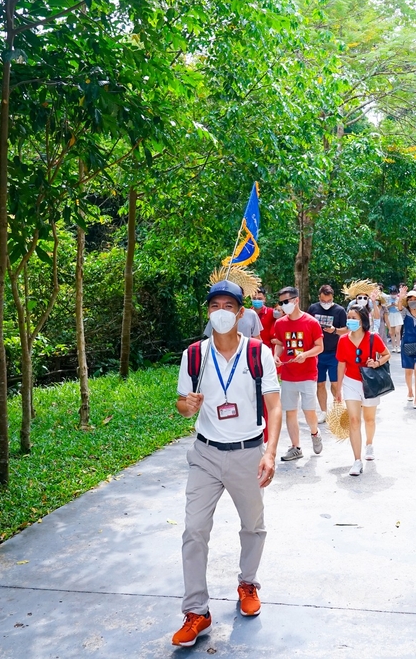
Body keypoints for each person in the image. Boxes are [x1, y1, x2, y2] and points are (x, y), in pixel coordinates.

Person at [173, 275, 283, 647]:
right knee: (194, 530)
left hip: (248, 452)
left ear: (240, 313)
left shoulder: (258, 353)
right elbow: (183, 404)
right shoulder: (193, 354)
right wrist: (187, 406)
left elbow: (275, 405)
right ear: (208, 312)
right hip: (205, 454)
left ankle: (248, 584)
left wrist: (269, 451)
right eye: (214, 307)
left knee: (253, 524)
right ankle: (196, 612)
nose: (221, 313)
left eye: (228, 307)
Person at [334, 304, 391, 476]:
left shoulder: (373, 337)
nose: (350, 321)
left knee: (369, 419)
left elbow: (386, 354)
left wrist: (377, 362)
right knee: (354, 420)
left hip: (369, 382)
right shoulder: (343, 340)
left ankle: (369, 444)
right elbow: (341, 363)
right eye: (349, 318)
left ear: (363, 320)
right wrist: (338, 387)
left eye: (354, 318)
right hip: (351, 382)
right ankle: (357, 460)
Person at [270, 286, 324, 460]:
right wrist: (275, 356)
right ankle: (296, 447)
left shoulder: (311, 322)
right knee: (290, 411)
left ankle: (315, 433)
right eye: (281, 302)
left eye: (286, 301)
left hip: (308, 373)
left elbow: (319, 347)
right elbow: (279, 343)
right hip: (288, 373)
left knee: (309, 410)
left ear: (296, 300)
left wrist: (305, 355)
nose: (284, 305)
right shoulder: (280, 323)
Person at [307, 285, 347, 414]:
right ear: (319, 297)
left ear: (332, 298)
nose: (326, 303)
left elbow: (347, 330)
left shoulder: (340, 310)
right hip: (317, 353)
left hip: (335, 352)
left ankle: (337, 410)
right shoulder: (313, 309)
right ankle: (323, 412)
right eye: (323, 301)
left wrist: (334, 330)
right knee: (320, 384)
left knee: (335, 384)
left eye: (328, 301)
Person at [253, 289, 277, 353]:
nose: (256, 300)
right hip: (251, 348)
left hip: (267, 349)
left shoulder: (271, 312)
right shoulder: (247, 313)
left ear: (264, 299)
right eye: (254, 298)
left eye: (259, 298)